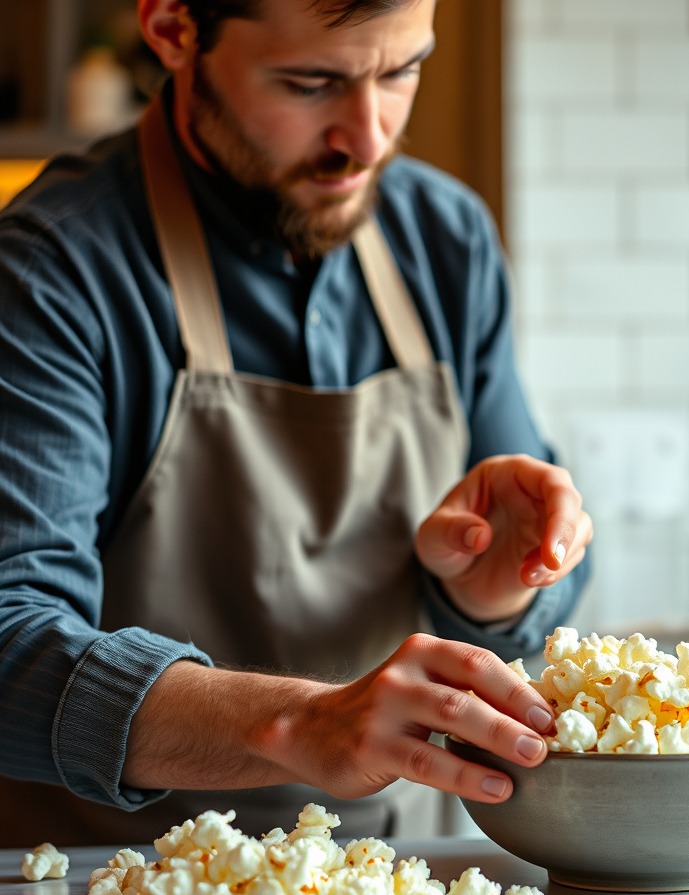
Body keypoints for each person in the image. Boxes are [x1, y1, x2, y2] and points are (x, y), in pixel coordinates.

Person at [0, 0, 593, 846]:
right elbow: (9, 639)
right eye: (312, 83)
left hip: (410, 887)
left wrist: (493, 590)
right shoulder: (53, 271)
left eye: (401, 71)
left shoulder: (446, 237)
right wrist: (301, 724)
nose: (368, 137)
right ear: (173, 30)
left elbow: (540, 577)